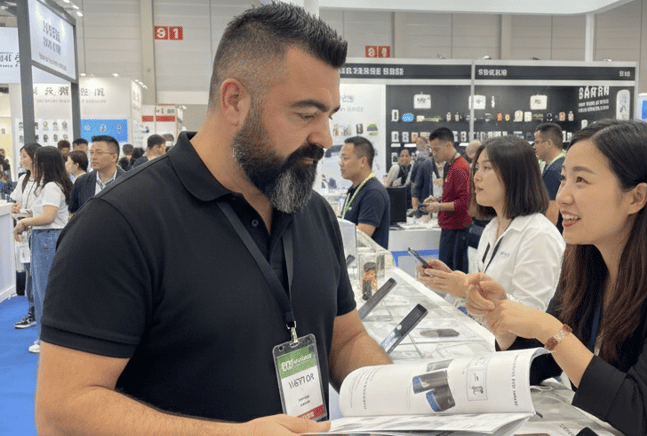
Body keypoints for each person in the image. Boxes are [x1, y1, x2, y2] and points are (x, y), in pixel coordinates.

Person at [37, 4, 391, 435]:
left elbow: (345, 340)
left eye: (329, 116)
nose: (325, 138)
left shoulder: (311, 211)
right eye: (306, 115)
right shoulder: (118, 224)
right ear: (234, 101)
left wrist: (402, 396)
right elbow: (62, 411)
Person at [465, 119, 647, 436]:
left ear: (636, 197)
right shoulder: (587, 262)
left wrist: (548, 328)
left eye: (581, 180)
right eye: (564, 179)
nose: (562, 196)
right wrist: (504, 322)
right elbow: (539, 364)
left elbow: (640, 410)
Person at [417, 136, 564, 313]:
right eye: (477, 168)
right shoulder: (493, 227)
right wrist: (453, 281)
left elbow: (531, 313)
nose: (476, 177)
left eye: (486, 168)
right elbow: (490, 286)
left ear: (514, 174)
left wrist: (466, 289)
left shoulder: (539, 235)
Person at [12, 146, 72, 354]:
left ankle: (46, 339)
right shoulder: (52, 185)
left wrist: (24, 222)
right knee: (46, 289)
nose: (31, 165)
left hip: (47, 238)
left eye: (35, 161)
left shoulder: (51, 187)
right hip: (46, 238)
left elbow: (49, 217)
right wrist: (27, 215)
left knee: (44, 291)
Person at [424, 127, 471, 273]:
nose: (433, 153)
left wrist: (439, 206)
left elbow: (464, 203)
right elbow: (454, 196)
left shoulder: (460, 167)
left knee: (453, 273)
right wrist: (438, 200)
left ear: (448, 145)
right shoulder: (451, 165)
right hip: (450, 228)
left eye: (436, 149)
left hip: (457, 230)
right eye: (431, 149)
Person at [9, 142, 42, 330]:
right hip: (26, 233)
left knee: (41, 275)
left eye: (24, 156)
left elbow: (46, 211)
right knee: (30, 274)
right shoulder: (23, 179)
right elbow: (18, 204)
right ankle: (33, 312)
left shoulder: (46, 181)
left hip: (41, 232)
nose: (21, 160)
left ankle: (42, 313)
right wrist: (16, 210)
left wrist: (25, 213)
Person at [339, 136, 391, 248]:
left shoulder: (373, 193)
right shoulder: (354, 189)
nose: (341, 163)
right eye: (341, 158)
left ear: (362, 161)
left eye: (345, 158)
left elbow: (360, 239)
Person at [69, 135, 126, 214]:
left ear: (114, 157)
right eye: (91, 152)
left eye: (99, 153)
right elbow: (73, 211)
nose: (93, 157)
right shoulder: (81, 181)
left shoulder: (127, 182)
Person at [533, 123, 565, 230]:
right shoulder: (564, 163)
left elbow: (551, 216)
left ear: (549, 143)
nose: (534, 146)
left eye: (537, 142)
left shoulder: (553, 172)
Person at [410, 136, 432, 211]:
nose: (417, 145)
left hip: (422, 195)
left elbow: (413, 179)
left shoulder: (419, 159)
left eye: (419, 143)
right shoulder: (430, 157)